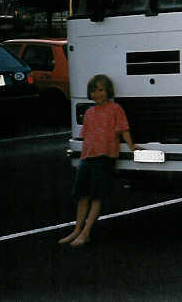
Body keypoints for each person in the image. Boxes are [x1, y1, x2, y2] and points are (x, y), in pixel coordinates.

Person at [58, 74, 141, 247]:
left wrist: (132, 146)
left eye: (101, 90)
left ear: (107, 91)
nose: (97, 94)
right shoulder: (89, 112)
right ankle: (76, 230)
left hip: (104, 158)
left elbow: (123, 129)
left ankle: (86, 232)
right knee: (82, 195)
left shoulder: (115, 109)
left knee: (97, 196)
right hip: (87, 158)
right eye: (94, 91)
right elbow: (86, 137)